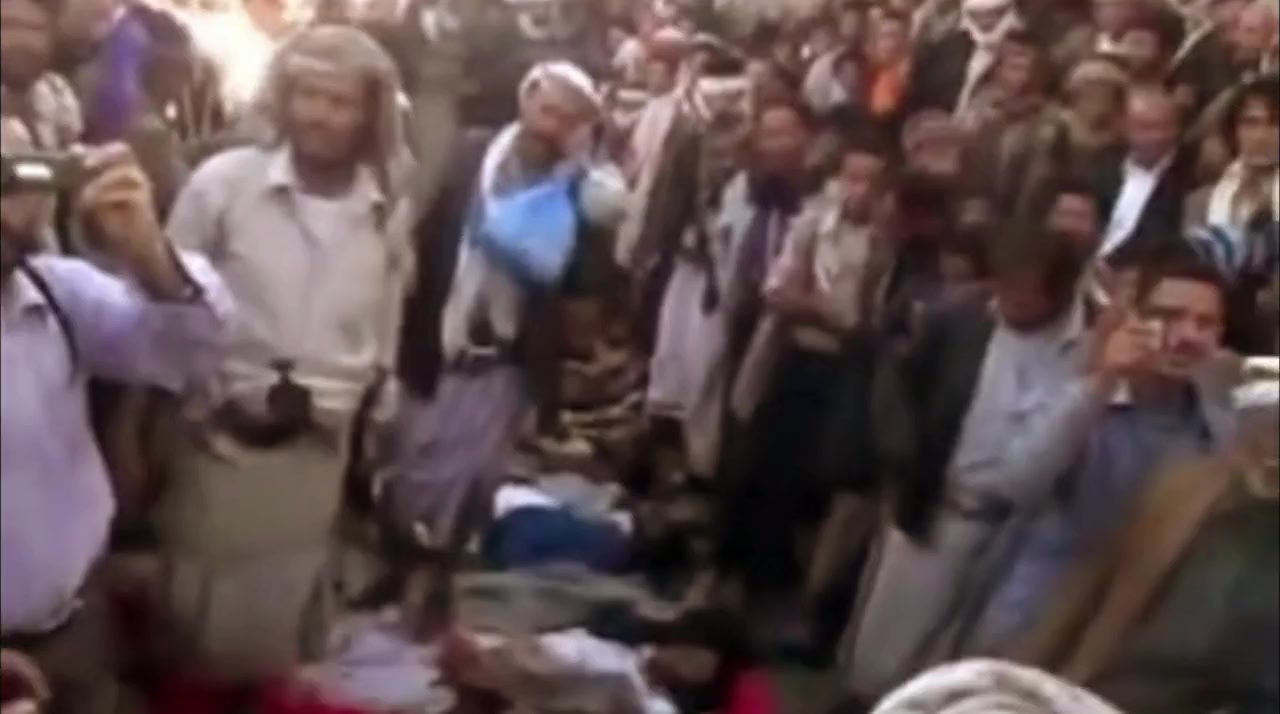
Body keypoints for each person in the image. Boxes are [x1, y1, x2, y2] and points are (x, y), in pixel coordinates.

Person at [156, 24, 415, 680]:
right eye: (309, 95)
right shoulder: (223, 185)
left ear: (369, 115)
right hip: (218, 438)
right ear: (284, 98)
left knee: (284, 598)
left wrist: (372, 415)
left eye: (340, 101)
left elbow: (385, 318)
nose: (321, 116)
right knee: (201, 608)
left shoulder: (385, 205)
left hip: (317, 450)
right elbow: (162, 307)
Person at [1, 122, 232, 713]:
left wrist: (149, 254)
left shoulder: (55, 294)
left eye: (14, 178)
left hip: (76, 628)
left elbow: (192, 355)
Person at [839, 232, 1094, 702]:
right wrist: (903, 461)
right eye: (1005, 287)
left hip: (1017, 532)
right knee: (888, 641)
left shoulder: (1086, 347)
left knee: (966, 661)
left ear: (1058, 293)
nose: (1009, 302)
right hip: (938, 506)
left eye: (1025, 294)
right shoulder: (959, 319)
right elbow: (898, 388)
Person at [966, 257, 1238, 655]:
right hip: (1032, 621)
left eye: (1205, 323)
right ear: (1133, 321)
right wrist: (1103, 381)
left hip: (1124, 641)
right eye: (1169, 317)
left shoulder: (1217, 427)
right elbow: (1015, 483)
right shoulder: (1081, 393)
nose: (1188, 336)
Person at [1016, 358, 1280, 714]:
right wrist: (1018, 676)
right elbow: (1083, 592)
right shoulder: (1182, 488)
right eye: (1268, 429)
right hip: (1092, 691)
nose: (1272, 452)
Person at [1096, 85, 1194, 266]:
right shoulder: (1103, 168)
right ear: (1124, 126)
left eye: (1165, 127)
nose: (1157, 137)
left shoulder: (1189, 176)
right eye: (1145, 128)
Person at [1185, 76, 1280, 234]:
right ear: (1233, 130)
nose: (1261, 136)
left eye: (1275, 123)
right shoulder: (1200, 203)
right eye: (1250, 123)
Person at [0, 0, 82, 155]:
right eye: (8, 26)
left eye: (36, 29)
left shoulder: (56, 92)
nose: (23, 39)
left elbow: (70, 153)